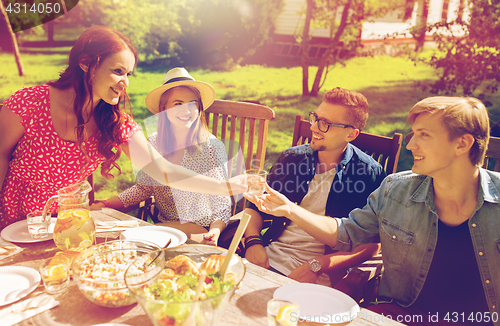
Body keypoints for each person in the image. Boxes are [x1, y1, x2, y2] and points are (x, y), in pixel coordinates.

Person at [245, 96, 498, 326]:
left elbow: (368, 247)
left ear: (462, 144)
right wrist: (289, 210)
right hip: (398, 315)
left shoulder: (372, 174)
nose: (411, 146)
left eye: (424, 135)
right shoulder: (394, 190)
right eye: (413, 134)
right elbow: (348, 231)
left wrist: (320, 266)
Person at [0, 26, 244, 230]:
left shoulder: (115, 122)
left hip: (68, 224)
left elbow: (163, 171)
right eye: (118, 71)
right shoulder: (30, 102)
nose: (125, 83)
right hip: (15, 221)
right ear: (86, 64)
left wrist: (226, 186)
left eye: (128, 74)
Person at [243, 87, 386, 287]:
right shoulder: (291, 158)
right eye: (315, 118)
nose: (314, 127)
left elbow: (373, 245)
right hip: (266, 259)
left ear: (351, 135)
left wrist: (319, 265)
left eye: (325, 124)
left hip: (318, 277)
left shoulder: (370, 174)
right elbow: (255, 207)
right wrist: (253, 242)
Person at [91, 68, 231, 246]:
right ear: (163, 109)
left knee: (129, 241)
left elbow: (222, 202)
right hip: (163, 226)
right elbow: (144, 188)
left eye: (192, 104)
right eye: (178, 104)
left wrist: (215, 230)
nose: (186, 110)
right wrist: (105, 204)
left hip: (199, 229)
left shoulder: (211, 147)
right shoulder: (155, 142)